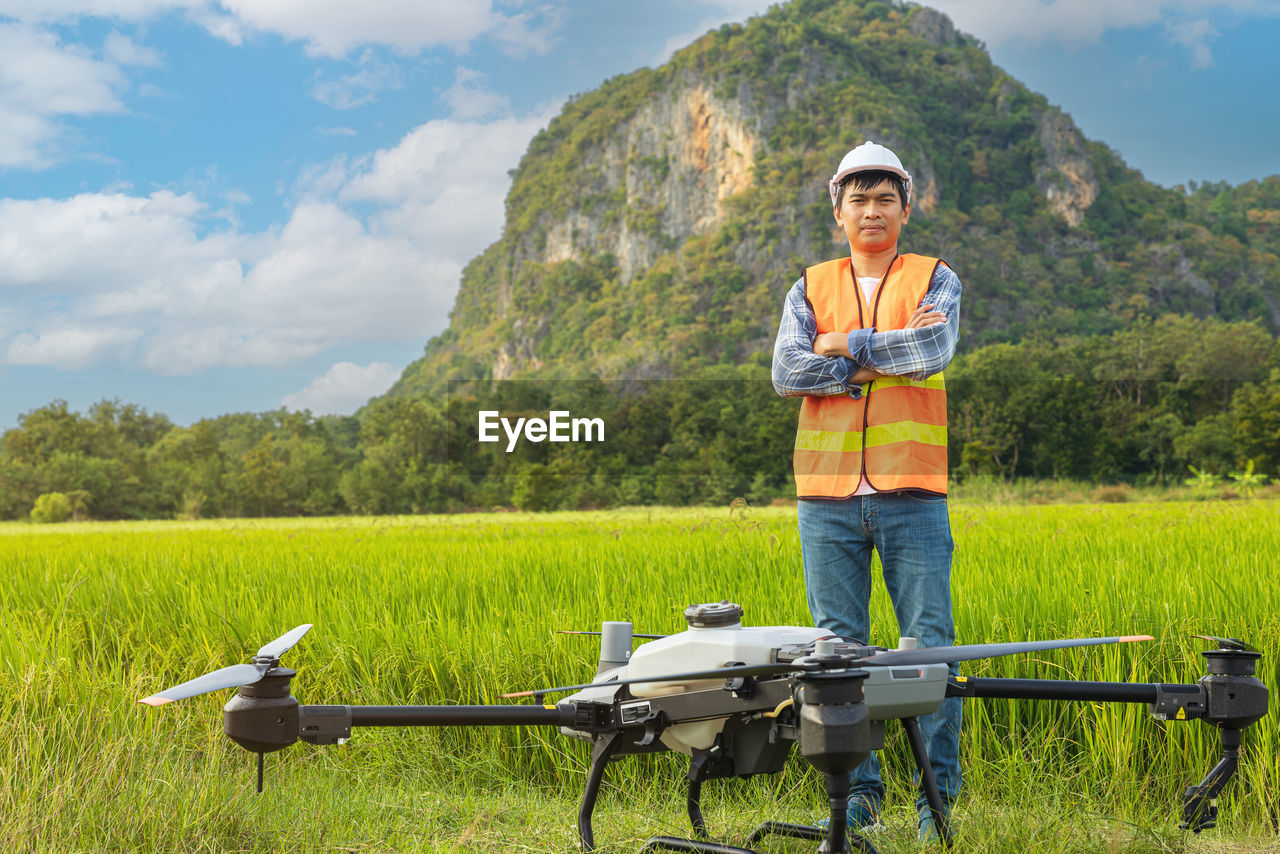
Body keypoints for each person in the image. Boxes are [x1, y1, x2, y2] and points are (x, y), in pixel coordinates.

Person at [770, 141, 963, 839]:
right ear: (838, 210)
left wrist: (838, 346)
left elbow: (932, 352)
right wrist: (873, 356)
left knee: (927, 648)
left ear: (907, 208)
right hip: (824, 498)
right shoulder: (807, 284)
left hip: (911, 491)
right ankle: (856, 799)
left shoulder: (935, 277)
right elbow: (786, 372)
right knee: (837, 654)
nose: (872, 210)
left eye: (886, 198)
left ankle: (935, 806)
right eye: (859, 199)